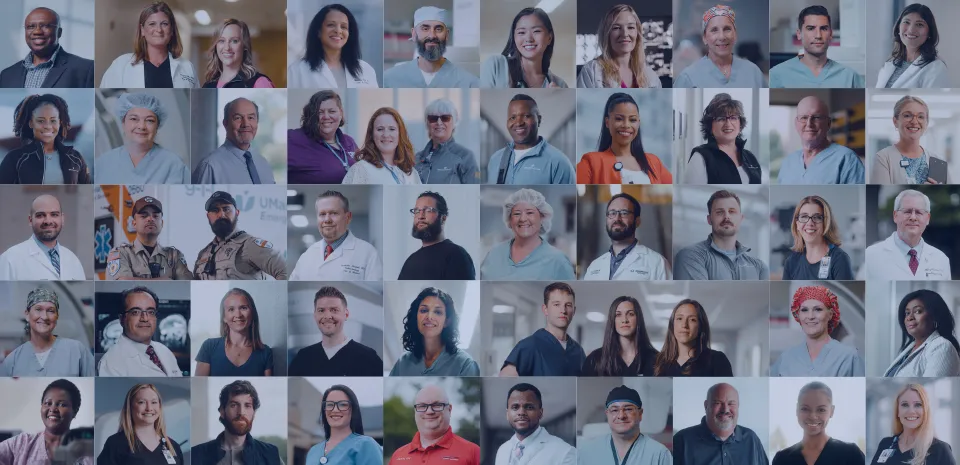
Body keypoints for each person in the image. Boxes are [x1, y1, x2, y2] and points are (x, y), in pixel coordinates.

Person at [95, 93, 190, 184]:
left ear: (157, 127)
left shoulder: (174, 165)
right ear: (123, 123)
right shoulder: (103, 163)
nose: (141, 126)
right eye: (134, 119)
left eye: (149, 120)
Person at [577, 93, 672, 184]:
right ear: (607, 122)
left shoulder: (654, 162)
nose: (626, 125)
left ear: (638, 123)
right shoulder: (591, 162)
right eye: (619, 119)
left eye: (632, 120)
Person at [673, 190, 769, 280]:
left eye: (732, 211)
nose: (727, 216)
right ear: (709, 219)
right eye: (719, 212)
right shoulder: (690, 256)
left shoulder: (759, 267)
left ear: (741, 218)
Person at [480, 188, 574, 280]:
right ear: (509, 220)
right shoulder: (494, 255)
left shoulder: (558, 261)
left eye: (529, 213)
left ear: (542, 217)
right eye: (517, 214)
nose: (523, 219)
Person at [289, 286, 383, 377]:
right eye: (321, 310)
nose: (327, 316)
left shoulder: (368, 358)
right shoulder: (302, 357)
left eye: (334, 310)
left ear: (346, 314)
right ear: (315, 315)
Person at [99, 2, 198, 88]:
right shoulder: (120, 66)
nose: (159, 30)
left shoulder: (187, 67)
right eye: (152, 24)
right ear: (142, 30)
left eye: (164, 24)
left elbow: (195, 104)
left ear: (172, 30)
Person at [771, 286, 864, 376]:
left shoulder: (849, 358)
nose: (810, 316)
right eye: (804, 310)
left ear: (830, 314)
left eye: (818, 309)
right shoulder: (786, 358)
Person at [193, 191, 288, 280]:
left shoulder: (250, 245)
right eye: (215, 210)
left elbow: (285, 271)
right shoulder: (203, 254)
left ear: (237, 213)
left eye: (226, 209)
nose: (221, 214)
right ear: (208, 216)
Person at [1, 288, 94, 377]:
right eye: (38, 309)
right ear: (27, 314)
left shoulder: (77, 351)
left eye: (51, 311)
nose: (45, 316)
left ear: (57, 317)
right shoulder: (12, 360)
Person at [290, 191, 382, 281]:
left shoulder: (368, 254)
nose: (327, 219)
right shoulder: (306, 256)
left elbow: (376, 293)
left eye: (334, 213)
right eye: (322, 214)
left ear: (348, 217)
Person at [0, 94, 91, 184]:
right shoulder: (14, 159)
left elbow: (87, 192)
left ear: (60, 123)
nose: (48, 126)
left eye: (53, 121)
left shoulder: (75, 158)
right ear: (31, 123)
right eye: (41, 121)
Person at [500, 283, 586, 376]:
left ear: (574, 311)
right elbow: (505, 381)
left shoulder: (578, 351)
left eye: (568, 305)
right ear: (545, 309)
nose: (563, 310)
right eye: (556, 304)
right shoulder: (528, 346)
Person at [389, 287, 480, 376]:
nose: (429, 317)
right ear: (416, 317)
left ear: (447, 322)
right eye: (424, 310)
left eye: (437, 312)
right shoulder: (402, 363)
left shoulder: (465, 365)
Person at [0, 379, 93, 465]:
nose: (53, 409)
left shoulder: (87, 455)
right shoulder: (21, 443)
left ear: (74, 411)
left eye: (62, 404)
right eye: (48, 403)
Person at [383, 6, 479, 88]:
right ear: (414, 34)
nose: (432, 35)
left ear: (447, 35)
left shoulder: (469, 83)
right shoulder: (389, 79)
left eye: (438, 29)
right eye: (425, 28)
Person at [487, 94, 574, 184]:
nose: (519, 123)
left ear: (539, 120)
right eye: (513, 118)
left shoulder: (558, 162)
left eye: (526, 116)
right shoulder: (495, 159)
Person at [864, 189, 950, 280]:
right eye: (907, 211)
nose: (913, 217)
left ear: (927, 218)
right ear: (895, 216)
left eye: (918, 212)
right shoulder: (871, 255)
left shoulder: (941, 259)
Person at [769, 6, 864, 88]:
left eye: (823, 28)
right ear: (799, 34)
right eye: (810, 29)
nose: (818, 35)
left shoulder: (850, 77)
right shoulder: (777, 75)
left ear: (830, 34)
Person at [771, 382, 865, 465]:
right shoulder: (782, 459)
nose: (813, 416)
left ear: (831, 411)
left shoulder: (850, 454)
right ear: (797, 410)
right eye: (805, 409)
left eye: (821, 410)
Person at [191, 380, 283, 465]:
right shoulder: (197, 454)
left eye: (247, 406)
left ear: (254, 413)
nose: (241, 412)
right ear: (222, 411)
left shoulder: (270, 454)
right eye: (234, 405)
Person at [673, 383, 768, 465]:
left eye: (731, 403)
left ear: (738, 406)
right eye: (718, 403)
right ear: (706, 406)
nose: (725, 410)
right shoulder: (682, 441)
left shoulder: (751, 439)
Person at [98, 286, 183, 377]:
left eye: (150, 312)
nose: (145, 318)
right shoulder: (110, 363)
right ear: (122, 319)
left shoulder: (164, 351)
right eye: (135, 312)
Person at [777, 96, 864, 184]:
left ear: (828, 124)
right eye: (804, 118)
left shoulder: (847, 159)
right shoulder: (788, 163)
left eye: (817, 117)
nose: (809, 124)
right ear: (796, 123)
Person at [289, 4, 379, 89]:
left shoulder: (366, 70)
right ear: (318, 31)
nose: (338, 31)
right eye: (331, 25)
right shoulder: (297, 71)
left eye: (344, 27)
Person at [583, 193, 670, 280]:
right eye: (612, 213)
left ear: (637, 221)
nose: (617, 218)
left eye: (624, 213)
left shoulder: (657, 262)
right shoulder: (594, 266)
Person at [0, 7, 94, 88]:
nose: (37, 31)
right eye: (31, 26)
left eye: (45, 26)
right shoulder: (6, 75)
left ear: (59, 32)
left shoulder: (86, 69)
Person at [674, 5, 765, 88]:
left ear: (735, 35)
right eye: (714, 30)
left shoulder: (754, 73)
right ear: (705, 38)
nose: (721, 37)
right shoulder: (688, 78)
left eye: (727, 29)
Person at [577, 385, 671, 465]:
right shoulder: (587, 452)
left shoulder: (659, 454)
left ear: (640, 414)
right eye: (614, 410)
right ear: (607, 414)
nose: (621, 415)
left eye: (628, 409)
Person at [387, 384, 480, 464]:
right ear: (415, 411)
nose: (429, 411)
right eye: (422, 406)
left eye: (437, 405)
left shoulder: (473, 452)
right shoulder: (397, 456)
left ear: (449, 410)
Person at [105, 196, 192, 280]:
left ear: (162, 223)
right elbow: (122, 284)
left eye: (155, 216)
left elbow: (188, 285)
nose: (150, 219)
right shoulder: (121, 253)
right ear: (134, 223)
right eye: (144, 216)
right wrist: (165, 281)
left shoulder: (174, 256)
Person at [0, 194, 85, 280]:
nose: (48, 221)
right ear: (30, 220)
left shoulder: (73, 260)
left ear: (62, 219)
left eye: (54, 214)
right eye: (40, 215)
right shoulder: (10, 259)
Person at [192, 97, 276, 184]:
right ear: (225, 124)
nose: (246, 124)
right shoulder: (210, 166)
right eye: (238, 118)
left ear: (257, 122)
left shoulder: (264, 163)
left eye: (251, 117)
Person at [682, 93, 762, 184]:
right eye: (721, 118)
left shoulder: (750, 157)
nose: (728, 123)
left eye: (733, 118)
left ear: (740, 124)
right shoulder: (700, 157)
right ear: (710, 125)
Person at [96, 384, 184, 465]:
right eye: (142, 402)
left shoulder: (173, 446)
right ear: (130, 407)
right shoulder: (115, 444)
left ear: (160, 407)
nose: (149, 408)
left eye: (154, 402)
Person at [869, 384, 956, 465]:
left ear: (925, 411)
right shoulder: (886, 443)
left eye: (918, 405)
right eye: (905, 405)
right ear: (897, 412)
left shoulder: (940, 449)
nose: (911, 411)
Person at [577, 4, 661, 88]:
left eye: (630, 27)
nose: (624, 34)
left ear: (637, 34)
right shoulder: (592, 72)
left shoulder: (651, 76)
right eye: (616, 28)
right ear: (607, 34)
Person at [195, 288, 274, 377]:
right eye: (231, 309)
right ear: (224, 317)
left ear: (252, 314)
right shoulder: (209, 347)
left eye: (243, 308)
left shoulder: (265, 352)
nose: (238, 315)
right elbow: (198, 385)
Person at [872, 95, 951, 184]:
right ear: (895, 121)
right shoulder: (883, 158)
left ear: (926, 123)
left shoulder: (938, 161)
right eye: (907, 115)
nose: (914, 121)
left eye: (921, 117)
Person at [482, 8, 567, 88]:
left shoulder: (560, 85)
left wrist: (559, 100)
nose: (529, 39)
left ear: (549, 37)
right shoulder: (496, 66)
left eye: (536, 31)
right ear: (514, 37)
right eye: (521, 32)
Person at [399, 191, 476, 280]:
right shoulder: (411, 260)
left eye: (428, 210)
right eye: (417, 211)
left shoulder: (456, 255)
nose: (420, 216)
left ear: (443, 218)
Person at [883, 289, 960, 377]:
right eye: (907, 313)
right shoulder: (910, 348)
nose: (909, 317)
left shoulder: (941, 346)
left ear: (935, 316)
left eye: (918, 311)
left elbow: (929, 389)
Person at [494, 383, 576, 465]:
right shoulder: (502, 450)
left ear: (540, 413)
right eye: (515, 407)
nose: (521, 412)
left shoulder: (565, 453)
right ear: (507, 414)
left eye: (529, 407)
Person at [288, 90, 358, 184]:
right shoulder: (293, 139)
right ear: (311, 115)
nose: (326, 116)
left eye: (332, 111)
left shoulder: (349, 141)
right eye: (320, 112)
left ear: (340, 113)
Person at [305, 385, 382, 465]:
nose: (335, 410)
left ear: (352, 410)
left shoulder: (366, 445)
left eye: (343, 405)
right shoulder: (313, 451)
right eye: (330, 404)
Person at [582, 296, 659, 376]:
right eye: (618, 315)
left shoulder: (657, 360)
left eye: (630, 314)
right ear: (612, 320)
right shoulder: (595, 360)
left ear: (638, 319)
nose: (624, 320)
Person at [342, 107, 422, 184]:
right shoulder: (360, 170)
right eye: (380, 129)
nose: (386, 135)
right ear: (372, 135)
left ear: (400, 134)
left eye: (392, 129)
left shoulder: (411, 172)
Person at [875, 4, 948, 88]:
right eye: (906, 22)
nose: (911, 30)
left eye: (919, 24)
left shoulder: (936, 68)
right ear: (898, 27)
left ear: (929, 32)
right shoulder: (890, 64)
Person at [782, 196, 855, 280]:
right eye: (804, 216)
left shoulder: (840, 259)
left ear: (826, 223)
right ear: (797, 224)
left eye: (817, 217)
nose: (810, 223)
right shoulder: (791, 262)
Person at [653, 299, 733, 376]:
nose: (684, 325)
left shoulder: (717, 360)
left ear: (700, 326)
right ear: (672, 325)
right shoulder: (658, 362)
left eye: (692, 320)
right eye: (679, 318)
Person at [414, 98, 481, 183]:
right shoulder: (416, 159)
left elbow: (474, 190)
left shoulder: (466, 157)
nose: (439, 122)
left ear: (454, 122)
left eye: (445, 118)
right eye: (433, 118)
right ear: (427, 123)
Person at [202, 19, 275, 88]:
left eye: (234, 41)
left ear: (244, 46)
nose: (227, 48)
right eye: (221, 41)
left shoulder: (260, 83)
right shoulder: (208, 85)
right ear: (216, 46)